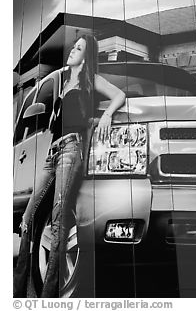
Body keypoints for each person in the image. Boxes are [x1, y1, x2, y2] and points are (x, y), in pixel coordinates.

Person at [13, 34, 126, 298]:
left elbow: (118, 95)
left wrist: (107, 114)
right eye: (74, 47)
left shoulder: (91, 81)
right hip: (53, 154)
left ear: (87, 57)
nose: (73, 50)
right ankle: (20, 291)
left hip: (71, 151)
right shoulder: (63, 83)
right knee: (28, 219)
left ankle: (48, 294)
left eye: (79, 49)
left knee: (58, 220)